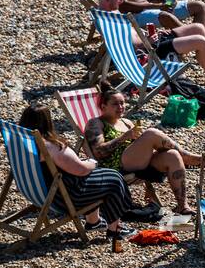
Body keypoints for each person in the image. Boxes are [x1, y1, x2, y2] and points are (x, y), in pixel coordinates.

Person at [19, 106, 133, 251]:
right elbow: (81, 170)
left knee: (101, 176)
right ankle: (114, 229)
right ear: (47, 122)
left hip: (37, 192)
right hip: (63, 198)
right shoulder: (50, 146)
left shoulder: (20, 142)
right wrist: (91, 162)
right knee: (114, 178)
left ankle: (94, 222)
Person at [95, 0, 205, 86]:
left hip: (149, 43)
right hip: (149, 53)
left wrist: (146, 36)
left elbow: (129, 38)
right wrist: (148, 40)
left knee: (198, 28)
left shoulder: (108, 14)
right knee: (200, 40)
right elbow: (131, 46)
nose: (122, 0)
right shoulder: (109, 19)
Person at [84, 86, 203, 216]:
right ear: (103, 106)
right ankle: (189, 158)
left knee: (172, 156)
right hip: (116, 167)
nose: (121, 107)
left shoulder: (126, 122)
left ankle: (182, 205)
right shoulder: (96, 123)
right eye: (115, 104)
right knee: (151, 133)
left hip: (138, 164)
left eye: (122, 103)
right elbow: (99, 152)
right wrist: (124, 137)